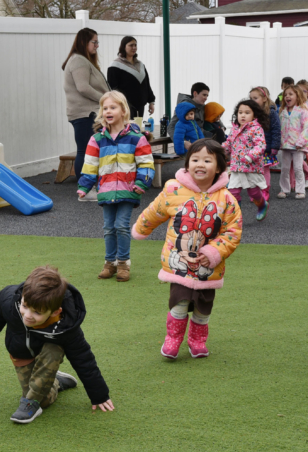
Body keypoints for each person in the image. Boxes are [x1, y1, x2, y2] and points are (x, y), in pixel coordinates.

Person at [132, 139, 242, 360]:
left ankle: (197, 340)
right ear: (187, 163)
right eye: (195, 159)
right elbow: (155, 211)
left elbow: (233, 232)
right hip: (179, 263)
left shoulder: (227, 199)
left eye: (207, 160)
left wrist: (213, 253)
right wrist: (141, 228)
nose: (200, 164)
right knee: (179, 302)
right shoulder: (174, 190)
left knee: (203, 307)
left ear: (219, 167)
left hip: (208, 267)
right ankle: (172, 339)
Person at [0, 266, 114, 424]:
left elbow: (83, 358)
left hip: (48, 352)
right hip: (21, 353)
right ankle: (56, 381)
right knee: (45, 400)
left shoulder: (66, 327)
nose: (27, 316)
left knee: (40, 388)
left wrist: (99, 395)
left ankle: (32, 401)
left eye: (37, 313)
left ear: (55, 312)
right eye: (25, 306)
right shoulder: (11, 298)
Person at [77, 91, 155, 282]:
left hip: (128, 190)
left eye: (113, 107)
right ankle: (109, 263)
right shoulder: (97, 139)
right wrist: (85, 186)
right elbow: (90, 165)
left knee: (121, 226)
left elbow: (146, 163)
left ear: (123, 110)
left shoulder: (136, 138)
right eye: (105, 108)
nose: (108, 111)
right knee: (108, 228)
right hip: (106, 190)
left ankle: (123, 264)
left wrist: (141, 183)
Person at [62, 28, 110, 200]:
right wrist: (107, 99)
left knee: (92, 151)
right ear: (84, 42)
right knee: (86, 151)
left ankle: (92, 187)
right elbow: (83, 87)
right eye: (94, 42)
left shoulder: (83, 60)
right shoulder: (78, 61)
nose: (97, 45)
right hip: (83, 114)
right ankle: (85, 191)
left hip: (89, 113)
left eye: (97, 42)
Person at [223, 99, 269, 220]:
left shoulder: (256, 129)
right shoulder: (234, 129)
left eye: (247, 112)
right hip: (236, 167)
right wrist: (219, 151)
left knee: (253, 193)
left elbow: (260, 145)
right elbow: (228, 144)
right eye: (240, 112)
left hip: (251, 167)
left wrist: (250, 156)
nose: (243, 115)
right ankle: (236, 216)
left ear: (254, 114)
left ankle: (262, 205)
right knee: (233, 191)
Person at [107, 36, 155, 119]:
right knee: (126, 131)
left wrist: (151, 101)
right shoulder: (114, 66)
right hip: (124, 107)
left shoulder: (141, 65)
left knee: (137, 130)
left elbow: (146, 85)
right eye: (131, 45)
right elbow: (113, 88)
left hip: (140, 107)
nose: (134, 47)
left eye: (135, 45)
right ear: (123, 46)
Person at [249, 86, 281, 201]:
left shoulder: (271, 113)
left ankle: (265, 190)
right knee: (254, 170)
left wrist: (274, 147)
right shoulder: (251, 113)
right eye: (251, 98)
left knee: (264, 170)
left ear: (264, 98)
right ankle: (256, 192)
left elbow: (276, 130)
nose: (252, 101)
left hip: (266, 148)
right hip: (253, 148)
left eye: (255, 98)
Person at [277, 85, 308, 200]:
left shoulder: (303, 111)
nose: (287, 97)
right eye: (285, 95)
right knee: (284, 168)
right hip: (285, 145)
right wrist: (279, 142)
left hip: (298, 146)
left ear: (297, 95)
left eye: (290, 94)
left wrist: (300, 142)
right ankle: (284, 189)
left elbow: (306, 128)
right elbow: (280, 128)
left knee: (298, 168)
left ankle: (300, 190)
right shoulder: (282, 112)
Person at [168, 83, 211, 148]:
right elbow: (171, 126)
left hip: (201, 143)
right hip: (189, 146)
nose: (206, 98)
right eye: (204, 95)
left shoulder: (202, 106)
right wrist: (183, 142)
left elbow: (214, 114)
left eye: (207, 96)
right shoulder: (184, 106)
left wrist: (222, 127)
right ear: (195, 94)